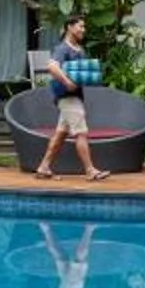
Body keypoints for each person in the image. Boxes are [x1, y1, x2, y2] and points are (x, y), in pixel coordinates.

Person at [35, 18, 109, 181]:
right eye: (80, 26)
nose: (83, 29)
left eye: (84, 26)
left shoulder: (80, 50)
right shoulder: (63, 48)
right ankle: (90, 170)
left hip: (75, 95)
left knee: (61, 133)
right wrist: (67, 82)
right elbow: (52, 66)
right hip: (67, 97)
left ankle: (43, 167)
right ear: (69, 27)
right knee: (81, 132)